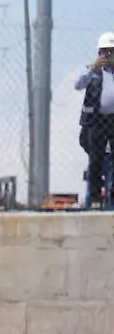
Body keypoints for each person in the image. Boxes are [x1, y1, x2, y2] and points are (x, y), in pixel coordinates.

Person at [76, 32, 114, 209]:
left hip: (112, 120)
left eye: (111, 51)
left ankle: (111, 198)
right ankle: (95, 198)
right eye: (105, 51)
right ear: (99, 53)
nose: (108, 55)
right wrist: (93, 68)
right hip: (96, 121)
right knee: (95, 160)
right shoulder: (91, 70)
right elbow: (78, 85)